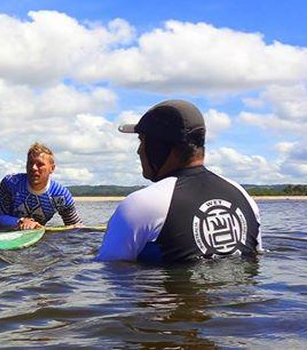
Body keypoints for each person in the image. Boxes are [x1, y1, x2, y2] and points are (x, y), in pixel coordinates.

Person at [95, 99, 261, 263]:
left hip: (171, 288)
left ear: (158, 147)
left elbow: (110, 271)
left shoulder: (141, 204)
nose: (139, 151)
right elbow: (255, 257)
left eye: (142, 141)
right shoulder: (243, 196)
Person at [0, 142, 82, 230]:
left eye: (40, 164)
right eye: (30, 163)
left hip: (28, 229)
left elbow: (75, 226)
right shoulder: (11, 183)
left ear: (52, 168)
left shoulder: (61, 195)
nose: (34, 168)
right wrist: (20, 221)